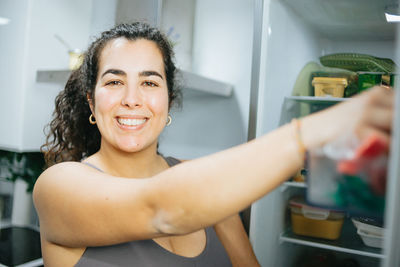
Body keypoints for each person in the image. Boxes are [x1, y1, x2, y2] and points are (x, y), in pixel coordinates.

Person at [33, 22, 394, 267]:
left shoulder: (205, 186)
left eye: (150, 82)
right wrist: (317, 130)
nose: (132, 99)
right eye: (113, 82)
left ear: (168, 101)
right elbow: (162, 210)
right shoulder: (59, 186)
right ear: (92, 102)